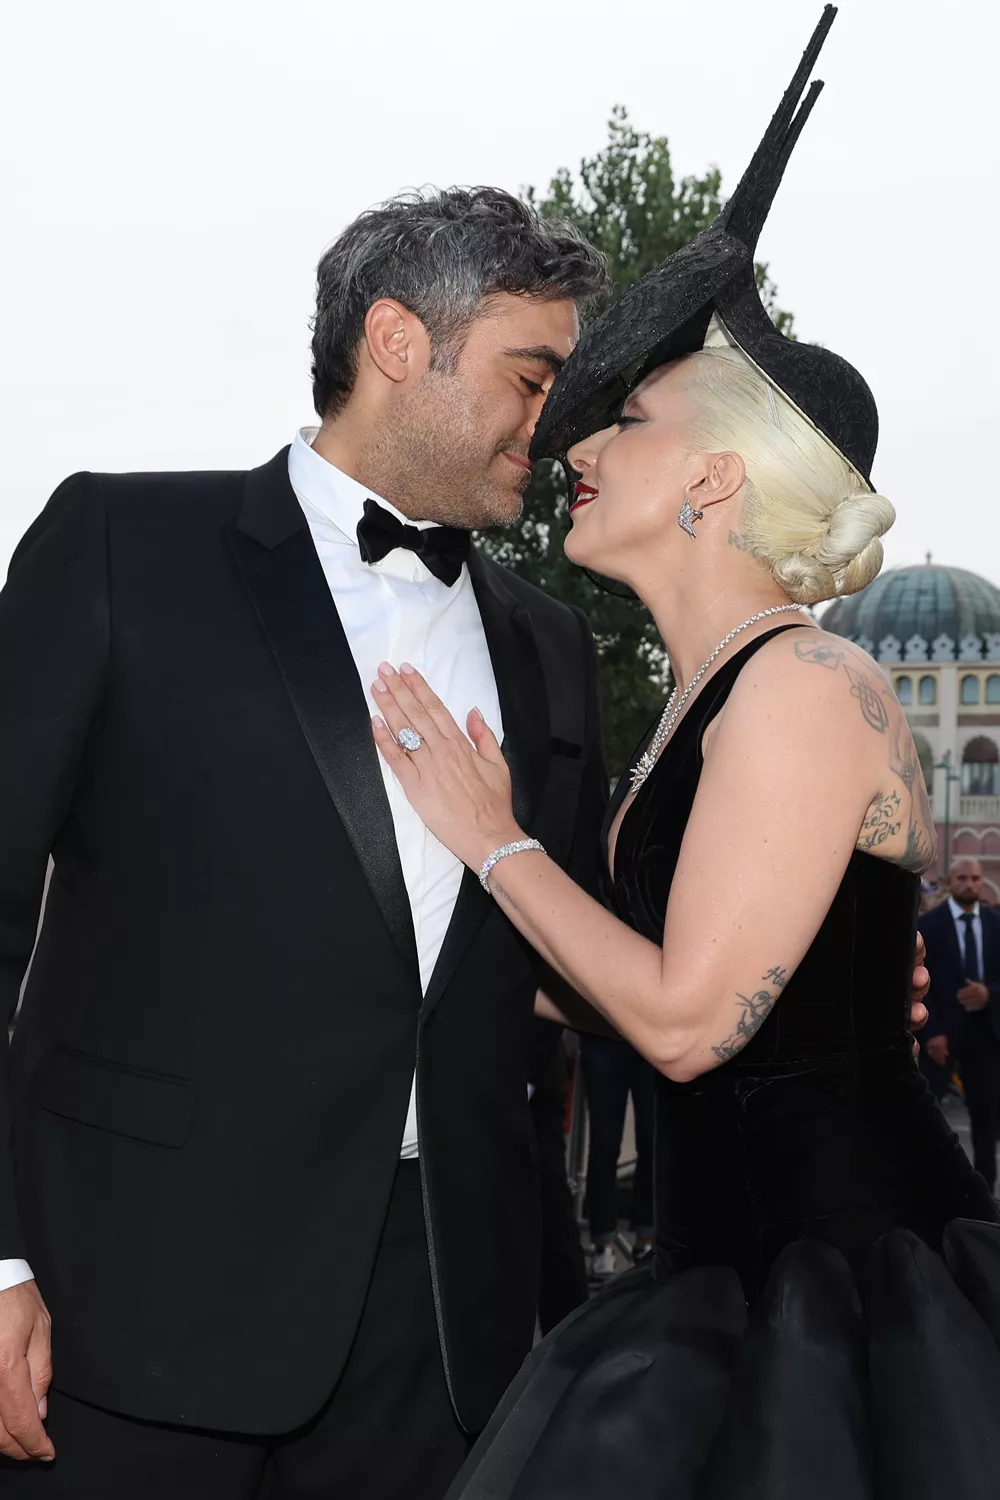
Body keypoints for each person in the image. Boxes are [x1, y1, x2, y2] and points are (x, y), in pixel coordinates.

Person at [367, 11, 1000, 1495]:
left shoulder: (804, 685)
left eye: (628, 420)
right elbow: (627, 980)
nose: (580, 447)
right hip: (719, 1281)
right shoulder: (706, 699)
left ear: (716, 476)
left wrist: (492, 836)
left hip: (846, 1307)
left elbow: (686, 1020)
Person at [0, 191, 612, 1497]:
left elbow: (556, 969)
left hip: (439, 1331)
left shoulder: (551, 643)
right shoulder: (119, 547)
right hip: (129, 1305)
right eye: (531, 377)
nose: (552, 424)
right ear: (398, 342)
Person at [920, 858, 1000, 1186]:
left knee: (986, 1118)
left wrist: (989, 993)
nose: (970, 884)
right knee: (928, 1118)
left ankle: (985, 1191)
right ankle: (931, 1187)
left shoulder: (996, 924)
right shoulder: (929, 925)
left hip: (985, 1035)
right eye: (963, 878)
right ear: (950, 882)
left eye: (976, 878)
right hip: (941, 1036)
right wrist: (932, 1032)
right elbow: (917, 982)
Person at [527, 1020, 590, 1332]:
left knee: (551, 1217)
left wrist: (526, 1079)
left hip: (528, 1076)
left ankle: (570, 1340)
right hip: (481, 1079)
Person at [578, 1032, 655, 1278]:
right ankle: (604, 1246)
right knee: (604, 1143)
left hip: (651, 1036)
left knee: (652, 1142)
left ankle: (646, 1240)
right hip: (603, 1034)